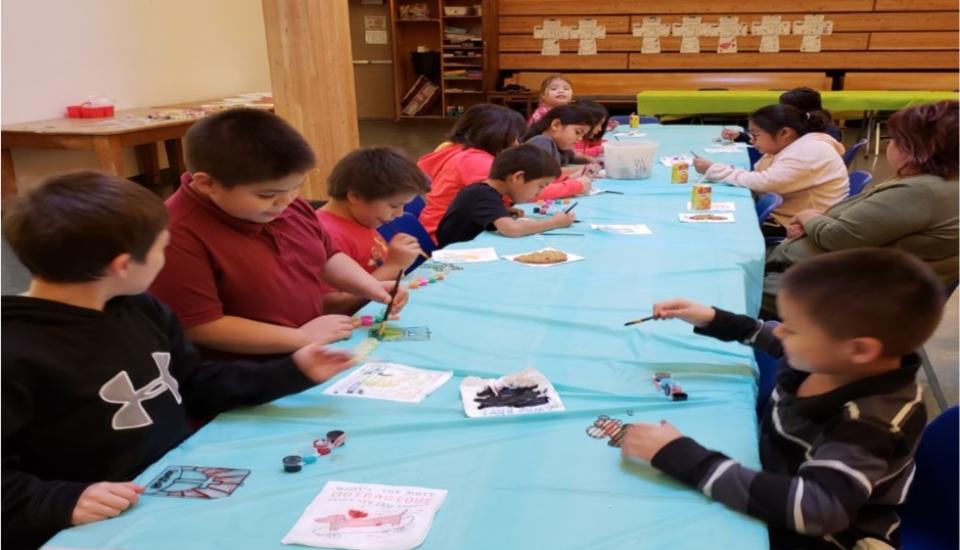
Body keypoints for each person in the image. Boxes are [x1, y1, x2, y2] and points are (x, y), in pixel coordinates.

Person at [1, 172, 355, 549]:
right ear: (123, 265)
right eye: (162, 249)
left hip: (171, 490)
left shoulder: (142, 308)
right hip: (93, 527)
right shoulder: (14, 351)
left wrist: (290, 371)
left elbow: (192, 384)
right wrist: (61, 502)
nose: (165, 259)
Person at [623, 248, 944, 550]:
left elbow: (818, 509)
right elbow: (770, 336)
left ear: (859, 349)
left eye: (795, 328)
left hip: (830, 534)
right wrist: (711, 317)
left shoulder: (869, 424)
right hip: (781, 479)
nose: (781, 332)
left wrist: (683, 457)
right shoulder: (833, 359)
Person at [150, 109, 407, 359]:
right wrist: (300, 337)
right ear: (207, 183)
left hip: (308, 344)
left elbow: (327, 255)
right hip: (250, 367)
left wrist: (371, 287)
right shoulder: (176, 235)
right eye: (267, 194)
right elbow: (200, 325)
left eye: (296, 187)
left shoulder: (282, 201)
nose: (286, 201)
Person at [762, 100, 959, 318]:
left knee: (736, 293)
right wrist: (815, 222)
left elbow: (837, 237)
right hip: (837, 279)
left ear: (916, 148)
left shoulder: (923, 191)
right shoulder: (937, 183)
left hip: (839, 291)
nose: (890, 144)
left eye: (895, 139)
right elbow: (858, 226)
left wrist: (808, 216)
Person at [694, 104, 848, 237]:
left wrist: (715, 170)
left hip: (800, 224)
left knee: (719, 227)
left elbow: (764, 182)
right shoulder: (794, 145)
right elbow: (761, 174)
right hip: (795, 214)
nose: (752, 140)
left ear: (784, 133)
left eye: (756, 135)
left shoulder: (809, 151)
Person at [317, 147, 431, 314]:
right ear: (354, 196)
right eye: (394, 205)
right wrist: (394, 265)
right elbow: (330, 305)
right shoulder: (325, 234)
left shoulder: (362, 220)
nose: (400, 214)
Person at [417, 104, 527, 241]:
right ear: (495, 135)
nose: (517, 144)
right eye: (515, 137)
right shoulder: (474, 160)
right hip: (445, 237)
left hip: (436, 227)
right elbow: (519, 189)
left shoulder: (457, 150)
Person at [435, 144, 573, 247]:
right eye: (541, 186)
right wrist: (554, 222)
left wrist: (501, 211)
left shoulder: (484, 192)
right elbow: (512, 230)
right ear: (518, 177)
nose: (539, 193)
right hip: (453, 257)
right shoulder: (482, 194)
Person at [524, 104, 598, 200]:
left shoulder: (559, 145)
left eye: (583, 136)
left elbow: (573, 156)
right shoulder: (542, 142)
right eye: (577, 132)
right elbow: (548, 175)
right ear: (556, 125)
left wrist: (591, 161)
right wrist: (583, 170)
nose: (580, 139)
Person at [721, 87, 843, 143]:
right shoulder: (800, 122)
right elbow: (770, 137)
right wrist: (741, 136)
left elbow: (776, 144)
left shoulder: (824, 133)